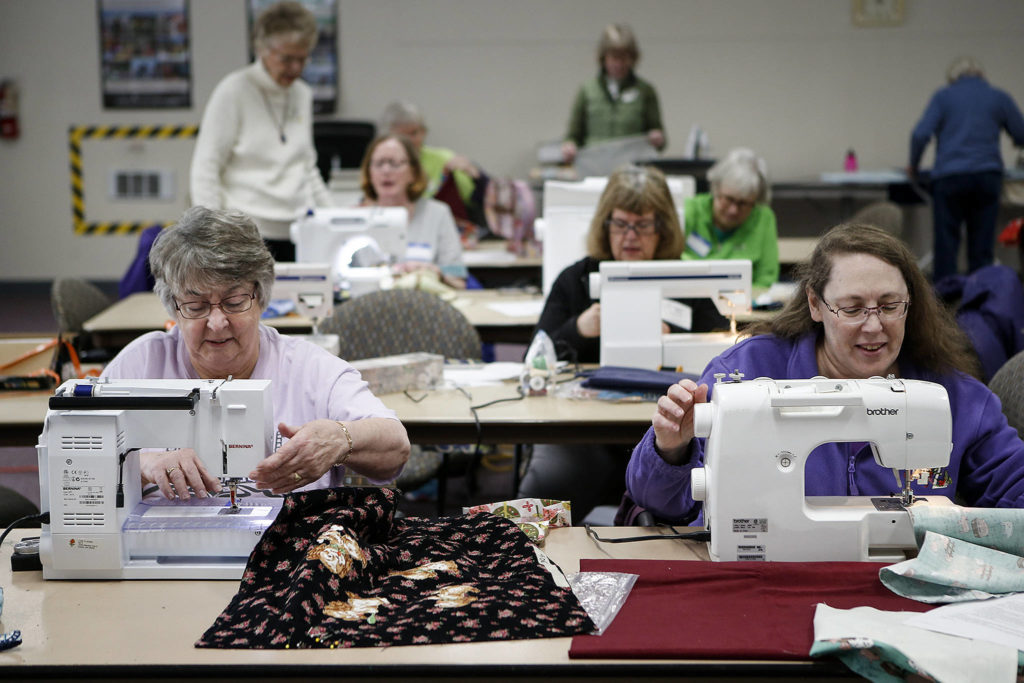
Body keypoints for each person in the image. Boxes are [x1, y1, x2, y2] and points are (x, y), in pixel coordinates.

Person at [626, 223, 1024, 524]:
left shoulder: (955, 397)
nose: (874, 326)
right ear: (815, 304)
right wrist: (670, 450)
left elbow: (1015, 489)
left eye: (889, 306)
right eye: (852, 309)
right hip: (767, 579)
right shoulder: (748, 372)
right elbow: (660, 501)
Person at [101, 207, 410, 500]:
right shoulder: (141, 365)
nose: (218, 323)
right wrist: (141, 463)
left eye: (234, 302)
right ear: (174, 309)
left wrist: (341, 439)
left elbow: (396, 447)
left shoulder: (309, 369)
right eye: (196, 307)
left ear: (261, 299)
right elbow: (63, 464)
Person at [519, 165, 685, 523]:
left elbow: (723, 359)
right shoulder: (577, 280)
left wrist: (677, 345)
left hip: (667, 439)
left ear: (663, 229)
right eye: (620, 224)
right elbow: (534, 358)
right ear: (604, 225)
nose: (630, 236)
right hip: (584, 437)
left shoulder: (689, 281)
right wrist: (579, 328)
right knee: (537, 512)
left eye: (642, 225)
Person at [189, 1, 332, 262]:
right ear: (261, 49)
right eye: (286, 59)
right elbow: (206, 168)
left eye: (302, 59)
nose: (295, 69)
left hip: (299, 230)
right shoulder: (234, 90)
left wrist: (333, 218)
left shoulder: (302, 94)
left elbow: (307, 167)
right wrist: (211, 236)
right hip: (244, 233)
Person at [910, 56, 1024, 283]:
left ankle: (944, 304)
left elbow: (920, 134)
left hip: (949, 178)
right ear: (982, 75)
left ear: (953, 78)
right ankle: (980, 302)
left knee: (946, 244)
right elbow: (1020, 133)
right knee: (981, 246)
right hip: (987, 177)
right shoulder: (998, 96)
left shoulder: (943, 97)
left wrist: (913, 165)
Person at [359, 134, 468, 289]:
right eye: (378, 163)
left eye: (394, 163)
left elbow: (459, 284)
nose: (386, 171)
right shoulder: (356, 219)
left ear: (413, 172)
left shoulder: (437, 214)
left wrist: (435, 273)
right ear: (369, 172)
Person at [561, 23, 666, 165]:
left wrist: (658, 139)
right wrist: (569, 146)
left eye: (624, 58)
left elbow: (661, 141)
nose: (619, 64)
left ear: (632, 58)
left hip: (632, 169)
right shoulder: (587, 90)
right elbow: (573, 136)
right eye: (614, 58)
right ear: (604, 58)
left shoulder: (645, 91)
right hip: (594, 168)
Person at [379, 101, 490, 232]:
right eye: (402, 136)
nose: (410, 141)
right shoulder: (380, 166)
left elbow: (482, 199)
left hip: (443, 233)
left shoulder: (444, 159)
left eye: (414, 133)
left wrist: (478, 177)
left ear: (424, 132)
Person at [681, 148, 780, 289]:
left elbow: (766, 279)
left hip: (742, 305)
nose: (733, 210)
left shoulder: (763, 218)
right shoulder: (688, 210)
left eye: (743, 203)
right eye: (728, 199)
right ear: (715, 189)